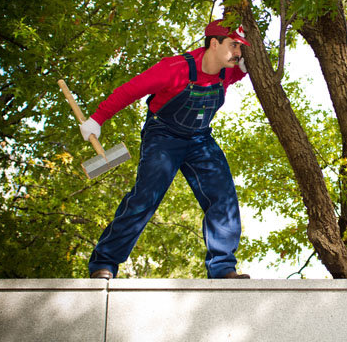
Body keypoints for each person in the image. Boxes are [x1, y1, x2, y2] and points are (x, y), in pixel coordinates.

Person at [80, 19, 251, 280]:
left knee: (223, 197)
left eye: (240, 47)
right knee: (145, 198)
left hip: (199, 139)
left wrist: (246, 68)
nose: (238, 53)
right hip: (163, 136)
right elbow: (130, 91)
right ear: (214, 44)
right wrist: (97, 119)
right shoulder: (174, 68)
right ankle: (104, 262)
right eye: (233, 46)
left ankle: (223, 269)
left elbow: (238, 73)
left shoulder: (228, 70)